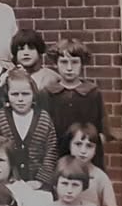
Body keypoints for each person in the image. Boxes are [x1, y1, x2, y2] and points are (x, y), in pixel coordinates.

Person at [43, 38, 112, 170]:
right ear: (56, 64)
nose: (69, 68)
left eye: (74, 62)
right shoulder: (47, 94)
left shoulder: (93, 93)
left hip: (86, 156)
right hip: (57, 155)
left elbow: (103, 130)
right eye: (64, 62)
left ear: (82, 64)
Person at [0, 67, 58, 189]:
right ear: (7, 95)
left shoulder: (43, 118)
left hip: (38, 185)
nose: (20, 99)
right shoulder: (1, 118)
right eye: (15, 94)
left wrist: (41, 180)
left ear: (33, 94)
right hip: (7, 184)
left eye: (25, 94)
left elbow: (51, 152)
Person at [64, 122, 118, 206]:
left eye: (89, 146)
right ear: (69, 144)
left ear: (95, 149)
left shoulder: (100, 178)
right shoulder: (61, 174)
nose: (83, 151)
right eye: (78, 144)